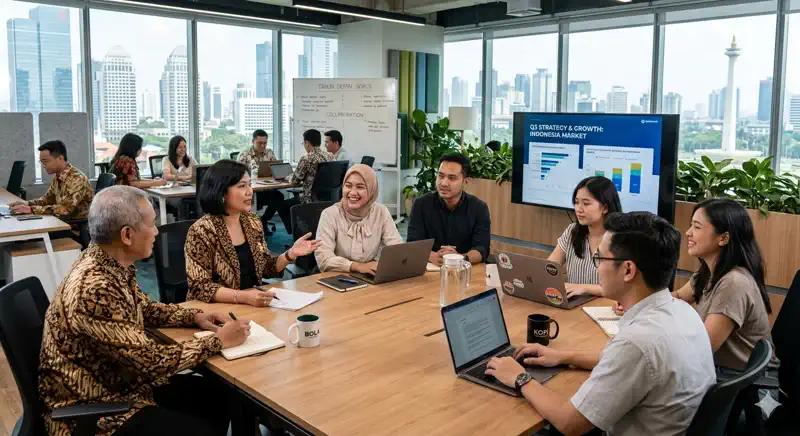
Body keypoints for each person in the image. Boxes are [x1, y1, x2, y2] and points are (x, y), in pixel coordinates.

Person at [39, 185, 252, 436]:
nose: (157, 231)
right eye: (151, 224)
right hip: (97, 410)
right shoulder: (96, 288)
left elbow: (144, 308)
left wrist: (194, 316)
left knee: (221, 396)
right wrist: (218, 341)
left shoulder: (107, 262)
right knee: (202, 426)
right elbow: (152, 363)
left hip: (120, 384)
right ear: (127, 235)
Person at [485, 212, 715, 436]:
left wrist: (520, 377)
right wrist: (563, 356)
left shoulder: (637, 343)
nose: (596, 267)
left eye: (600, 258)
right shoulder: (684, 312)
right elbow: (627, 360)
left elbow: (569, 423)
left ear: (627, 270)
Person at [185, 160, 322, 305]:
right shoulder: (201, 230)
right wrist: (243, 297)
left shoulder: (252, 221)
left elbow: (266, 268)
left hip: (252, 305)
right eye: (242, 186)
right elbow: (199, 287)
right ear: (222, 192)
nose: (250, 191)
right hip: (215, 311)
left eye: (249, 184)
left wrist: (290, 254)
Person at [672, 198, 779, 371]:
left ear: (723, 238)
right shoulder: (708, 272)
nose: (688, 233)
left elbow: (701, 348)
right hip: (721, 371)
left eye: (697, 227)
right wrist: (638, 302)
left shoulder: (734, 283)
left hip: (744, 384)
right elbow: (677, 297)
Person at [315, 164, 403, 274]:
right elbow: (324, 260)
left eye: (360, 187)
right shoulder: (330, 214)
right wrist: (356, 266)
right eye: (348, 186)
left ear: (372, 190)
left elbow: (397, 248)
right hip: (337, 276)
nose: (352, 192)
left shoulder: (380, 212)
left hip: (369, 274)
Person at [407, 153, 490, 266]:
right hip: (429, 267)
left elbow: (482, 249)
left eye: (452, 178)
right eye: (441, 176)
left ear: (466, 181)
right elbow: (412, 243)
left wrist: (460, 258)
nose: (443, 183)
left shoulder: (479, 208)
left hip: (463, 269)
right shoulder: (421, 204)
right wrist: (431, 256)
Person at [548, 176, 622, 299]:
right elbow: (549, 268)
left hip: (606, 308)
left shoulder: (620, 238)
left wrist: (584, 288)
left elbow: (622, 290)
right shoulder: (572, 231)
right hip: (574, 306)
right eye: (576, 202)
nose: (578, 209)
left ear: (605, 207)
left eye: (586, 203)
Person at [9, 140, 93, 221]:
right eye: (41, 162)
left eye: (45, 161)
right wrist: (27, 204)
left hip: (75, 228)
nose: (43, 166)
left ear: (60, 158)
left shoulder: (77, 179)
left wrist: (31, 209)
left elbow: (64, 209)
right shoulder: (58, 177)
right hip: (59, 222)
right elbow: (47, 200)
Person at [238, 129, 285, 234]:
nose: (263, 146)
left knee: (279, 197)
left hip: (265, 188)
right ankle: (250, 228)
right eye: (260, 143)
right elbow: (238, 175)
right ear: (253, 142)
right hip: (249, 190)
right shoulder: (244, 155)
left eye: (265, 143)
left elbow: (276, 169)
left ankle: (263, 220)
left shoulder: (269, 152)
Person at [289, 129, 334, 203]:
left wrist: (290, 177)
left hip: (308, 199)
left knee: (281, 203)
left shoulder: (306, 158)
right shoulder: (330, 156)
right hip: (327, 198)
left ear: (307, 143)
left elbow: (294, 182)